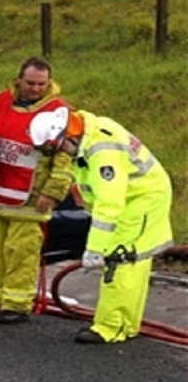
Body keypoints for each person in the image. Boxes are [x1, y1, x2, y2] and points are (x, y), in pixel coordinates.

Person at [29, 107, 173, 344]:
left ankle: (110, 327)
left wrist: (95, 249)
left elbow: (110, 203)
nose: (58, 153)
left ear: (66, 136)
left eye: (56, 147)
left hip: (138, 202)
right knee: (131, 264)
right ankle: (126, 325)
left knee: (119, 261)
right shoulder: (89, 136)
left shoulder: (102, 150)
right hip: (135, 198)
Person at [0, 57, 74, 324]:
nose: (35, 89)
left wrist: (52, 192)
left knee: (20, 253)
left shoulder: (59, 112)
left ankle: (15, 303)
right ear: (19, 79)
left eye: (41, 84)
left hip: (30, 197)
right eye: (30, 83)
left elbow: (64, 160)